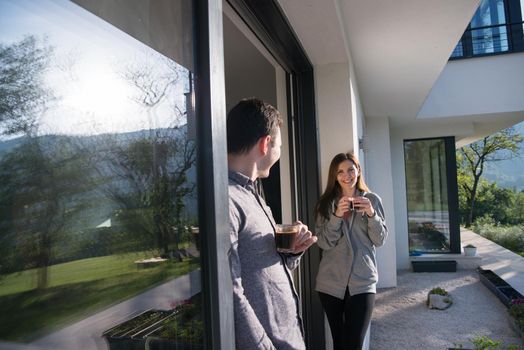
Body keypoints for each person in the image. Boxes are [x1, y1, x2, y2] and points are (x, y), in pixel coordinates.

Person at [227, 98, 318, 349]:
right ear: (266, 144)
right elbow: (230, 294)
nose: (279, 152)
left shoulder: (254, 194)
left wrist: (292, 253)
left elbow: (260, 267)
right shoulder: (228, 200)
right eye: (279, 144)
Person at [314, 152, 388, 350]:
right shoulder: (325, 204)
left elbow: (379, 240)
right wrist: (337, 215)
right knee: (339, 343)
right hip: (331, 282)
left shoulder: (372, 200)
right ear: (335, 176)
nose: (346, 175)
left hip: (362, 281)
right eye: (340, 172)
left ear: (358, 171)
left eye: (350, 169)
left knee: (354, 344)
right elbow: (324, 242)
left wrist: (371, 214)